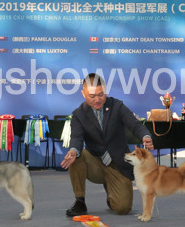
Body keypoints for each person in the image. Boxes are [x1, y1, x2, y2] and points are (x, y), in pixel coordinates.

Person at [60, 73, 155, 217]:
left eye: (101, 94)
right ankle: (80, 201)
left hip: (118, 164)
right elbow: (77, 138)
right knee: (77, 155)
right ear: (83, 94)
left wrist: (145, 136)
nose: (97, 99)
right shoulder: (79, 114)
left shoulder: (117, 106)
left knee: (123, 208)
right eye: (92, 96)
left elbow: (135, 124)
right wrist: (73, 150)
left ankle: (111, 192)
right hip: (95, 164)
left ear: (106, 91)